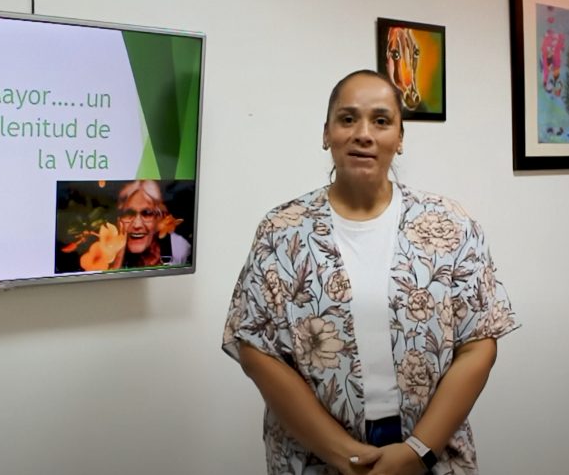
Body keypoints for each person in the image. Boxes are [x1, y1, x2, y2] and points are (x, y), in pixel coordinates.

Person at [222, 70, 517, 475]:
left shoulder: (449, 225)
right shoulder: (282, 231)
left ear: (400, 137)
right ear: (326, 133)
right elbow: (256, 350)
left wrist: (417, 451)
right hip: (316, 459)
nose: (364, 134)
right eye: (348, 119)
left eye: (381, 121)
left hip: (432, 454)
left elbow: (479, 343)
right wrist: (343, 454)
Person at [77, 180, 191, 271]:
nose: (137, 225)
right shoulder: (102, 249)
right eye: (128, 214)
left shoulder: (179, 249)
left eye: (147, 213)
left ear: (158, 218)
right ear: (118, 217)